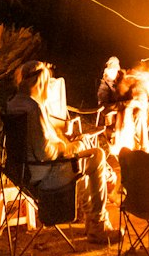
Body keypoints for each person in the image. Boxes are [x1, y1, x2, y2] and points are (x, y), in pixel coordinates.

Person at [7, 60, 116, 245]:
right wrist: (69, 147)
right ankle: (98, 225)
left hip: (21, 172)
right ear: (40, 83)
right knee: (96, 156)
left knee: (83, 159)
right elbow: (46, 153)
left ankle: (92, 218)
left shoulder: (13, 104)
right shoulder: (34, 109)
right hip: (45, 175)